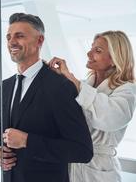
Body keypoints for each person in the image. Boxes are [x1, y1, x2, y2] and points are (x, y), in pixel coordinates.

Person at [0, 12, 94, 182]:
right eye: (9, 37)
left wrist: (27, 141)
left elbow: (82, 150)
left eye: (19, 36)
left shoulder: (59, 86)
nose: (11, 42)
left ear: (39, 41)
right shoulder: (6, 86)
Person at [49, 30, 136, 182]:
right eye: (91, 48)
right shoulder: (85, 85)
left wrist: (72, 79)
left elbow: (109, 117)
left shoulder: (127, 90)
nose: (89, 54)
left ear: (114, 58)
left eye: (98, 51)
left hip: (99, 169)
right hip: (72, 163)